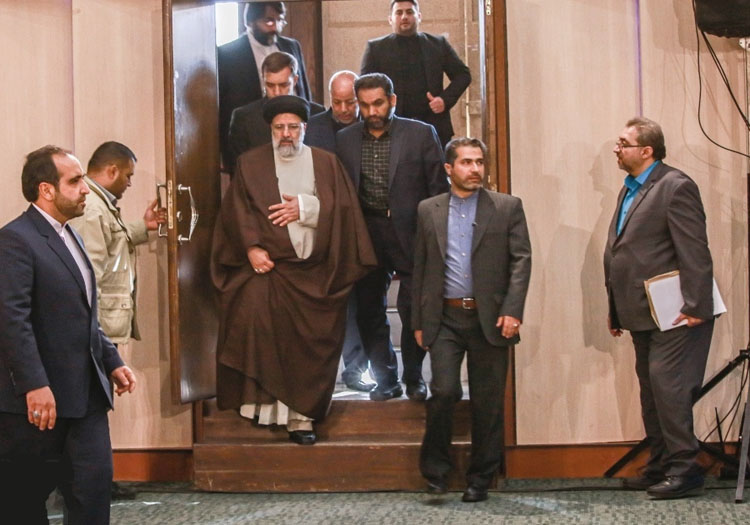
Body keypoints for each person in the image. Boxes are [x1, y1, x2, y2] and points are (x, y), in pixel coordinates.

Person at [211, 96, 377, 445]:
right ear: (270, 130)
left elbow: (345, 211)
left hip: (317, 274)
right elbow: (238, 211)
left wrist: (306, 207)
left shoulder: (326, 163)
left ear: (305, 128)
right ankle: (268, 411)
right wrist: (252, 248)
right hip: (271, 271)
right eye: (279, 128)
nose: (286, 134)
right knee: (257, 326)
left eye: (292, 127)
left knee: (309, 349)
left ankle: (302, 418)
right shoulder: (250, 163)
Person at [0, 146, 137, 524]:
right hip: (38, 404)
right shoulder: (15, 240)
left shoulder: (70, 235)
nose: (86, 189)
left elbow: (82, 312)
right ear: (46, 189)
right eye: (75, 181)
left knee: (92, 496)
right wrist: (34, 384)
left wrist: (111, 359)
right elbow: (12, 320)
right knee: (23, 504)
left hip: (87, 396)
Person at [412, 137, 531, 502]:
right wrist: (419, 320)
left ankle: (480, 478)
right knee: (444, 391)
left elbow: (521, 261)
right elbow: (421, 267)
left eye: (479, 161)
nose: (475, 168)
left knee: (487, 401)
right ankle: (436, 472)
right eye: (466, 162)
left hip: (490, 318)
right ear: (449, 169)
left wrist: (513, 309)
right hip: (444, 317)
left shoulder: (507, 207)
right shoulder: (428, 209)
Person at [604, 117, 715, 499]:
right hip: (640, 311)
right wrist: (615, 309)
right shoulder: (630, 188)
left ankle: (686, 470)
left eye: (623, 143)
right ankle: (661, 466)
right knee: (652, 391)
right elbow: (622, 251)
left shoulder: (675, 186)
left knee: (669, 389)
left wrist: (697, 305)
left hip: (677, 312)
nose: (616, 149)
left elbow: (694, 250)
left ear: (647, 150)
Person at [337, 73, 449, 402]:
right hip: (366, 231)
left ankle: (413, 376)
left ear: (392, 100)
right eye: (364, 105)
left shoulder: (420, 134)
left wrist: (437, 237)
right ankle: (385, 379)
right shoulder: (345, 139)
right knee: (368, 308)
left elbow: (438, 191)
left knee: (412, 308)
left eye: (378, 103)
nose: (372, 111)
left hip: (412, 232)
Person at [304, 70, 373, 392]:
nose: (344, 109)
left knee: (360, 302)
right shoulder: (314, 127)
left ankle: (357, 368)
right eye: (337, 102)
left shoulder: (370, 126)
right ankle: (320, 372)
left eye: (350, 102)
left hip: (363, 224)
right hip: (321, 223)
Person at [69, 142, 166, 345]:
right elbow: (90, 274)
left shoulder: (98, 204)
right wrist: (92, 330)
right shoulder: (93, 209)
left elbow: (111, 240)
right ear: (112, 171)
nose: (129, 183)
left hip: (102, 325)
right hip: (98, 328)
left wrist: (144, 226)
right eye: (128, 176)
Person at [361, 0, 471, 148]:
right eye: (399, 13)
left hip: (434, 126)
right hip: (391, 127)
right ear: (390, 19)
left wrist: (444, 100)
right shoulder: (376, 49)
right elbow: (364, 87)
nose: (404, 17)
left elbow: (463, 75)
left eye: (409, 12)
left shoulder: (438, 44)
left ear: (419, 16)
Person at [218, 1, 312, 169]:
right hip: (253, 136)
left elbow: (303, 90)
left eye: (279, 20)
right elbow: (224, 109)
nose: (275, 27)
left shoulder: (291, 46)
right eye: (269, 21)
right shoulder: (228, 54)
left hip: (293, 137)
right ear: (251, 21)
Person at [227, 51, 324, 173]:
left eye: (283, 85)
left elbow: (322, 162)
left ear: (295, 80)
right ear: (263, 81)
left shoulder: (316, 113)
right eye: (270, 85)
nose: (277, 92)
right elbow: (238, 170)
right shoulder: (244, 118)